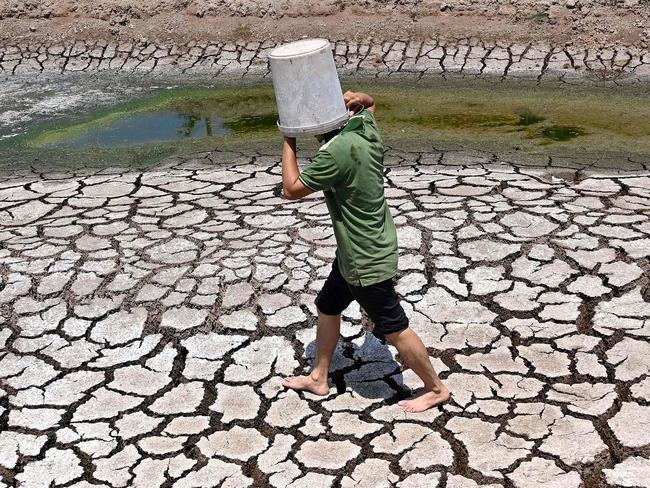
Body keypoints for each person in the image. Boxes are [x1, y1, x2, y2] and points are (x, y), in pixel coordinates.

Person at [279, 90, 450, 413]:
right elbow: (371, 105)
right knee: (328, 306)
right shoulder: (364, 130)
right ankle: (319, 376)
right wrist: (364, 98)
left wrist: (288, 137)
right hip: (362, 248)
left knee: (394, 328)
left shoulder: (337, 154)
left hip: (364, 259)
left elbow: (291, 189)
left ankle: (436, 388)